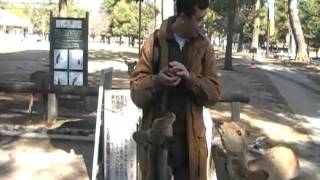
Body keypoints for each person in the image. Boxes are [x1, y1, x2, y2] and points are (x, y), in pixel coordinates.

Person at [130, 0, 220, 179]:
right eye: (199, 20)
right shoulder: (155, 42)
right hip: (157, 147)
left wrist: (190, 79)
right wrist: (157, 81)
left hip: (190, 148)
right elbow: (136, 92)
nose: (202, 25)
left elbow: (214, 94)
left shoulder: (204, 48)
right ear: (183, 17)